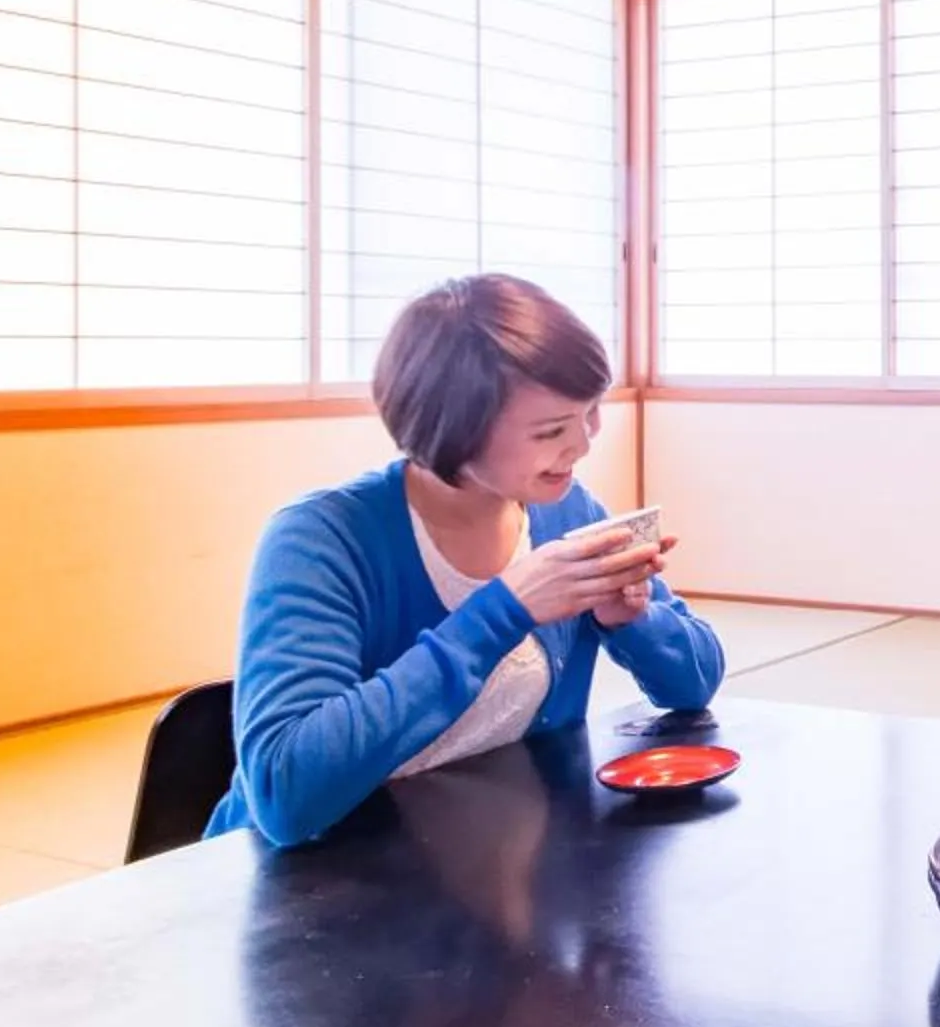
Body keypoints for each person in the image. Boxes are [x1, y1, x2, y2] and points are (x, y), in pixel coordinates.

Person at [208, 275, 724, 846]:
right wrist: (504, 609)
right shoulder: (322, 540)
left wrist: (633, 621)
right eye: (551, 430)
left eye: (591, 413)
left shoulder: (568, 513)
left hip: (479, 860)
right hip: (307, 886)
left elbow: (694, 687)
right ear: (453, 428)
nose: (582, 444)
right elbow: (287, 795)